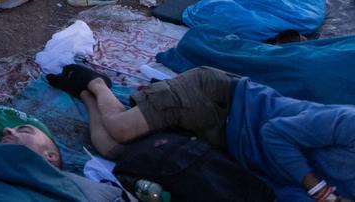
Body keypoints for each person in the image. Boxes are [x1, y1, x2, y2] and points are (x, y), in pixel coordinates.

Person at [51, 64, 355, 202]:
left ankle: (86, 93)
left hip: (226, 145)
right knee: (121, 129)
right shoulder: (349, 124)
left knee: (112, 150)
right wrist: (320, 190)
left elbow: (282, 189)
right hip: (224, 101)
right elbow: (275, 133)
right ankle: (98, 82)